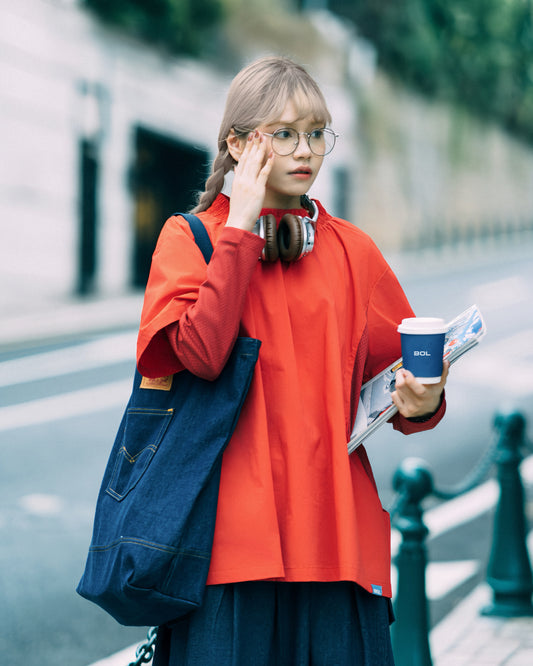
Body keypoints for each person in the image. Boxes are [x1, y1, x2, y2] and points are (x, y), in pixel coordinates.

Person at [136, 55, 448, 666]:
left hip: (339, 548)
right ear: (237, 144)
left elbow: (405, 392)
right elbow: (198, 353)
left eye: (316, 133)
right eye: (283, 134)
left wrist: (425, 398)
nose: (305, 150)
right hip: (226, 554)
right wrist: (242, 231)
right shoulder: (190, 241)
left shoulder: (353, 252)